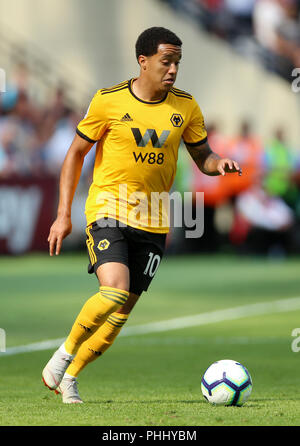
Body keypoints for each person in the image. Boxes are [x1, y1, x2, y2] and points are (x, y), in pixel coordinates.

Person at [42, 26, 242, 404]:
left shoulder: (186, 107)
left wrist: (221, 164)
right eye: (166, 61)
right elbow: (74, 154)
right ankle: (63, 354)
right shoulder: (108, 100)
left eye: (178, 62)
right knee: (114, 289)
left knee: (121, 312)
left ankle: (70, 378)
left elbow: (204, 157)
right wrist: (62, 214)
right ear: (143, 61)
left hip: (153, 219)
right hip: (108, 209)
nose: (173, 70)